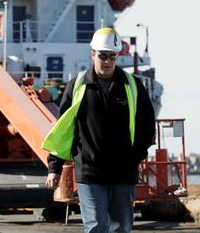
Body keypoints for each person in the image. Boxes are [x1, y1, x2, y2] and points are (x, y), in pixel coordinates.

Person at [42, 27, 155, 233]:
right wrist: (54, 168)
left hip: (123, 171)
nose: (107, 61)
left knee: (121, 227)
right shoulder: (77, 86)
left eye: (112, 56)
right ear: (92, 54)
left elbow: (147, 126)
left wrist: (135, 156)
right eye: (103, 55)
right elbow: (63, 130)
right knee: (96, 226)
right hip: (90, 171)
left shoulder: (133, 86)